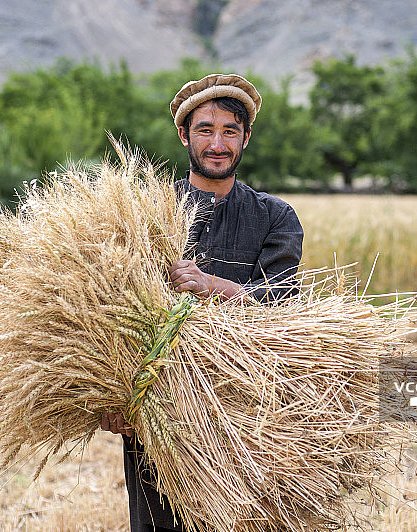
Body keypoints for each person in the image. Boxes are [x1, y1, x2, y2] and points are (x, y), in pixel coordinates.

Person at [100, 73, 304, 532]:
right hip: (158, 414)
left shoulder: (275, 217)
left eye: (230, 131)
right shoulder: (143, 209)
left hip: (247, 414)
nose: (218, 143)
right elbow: (105, 309)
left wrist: (212, 284)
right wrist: (113, 396)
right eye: (205, 129)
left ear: (246, 139)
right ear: (184, 135)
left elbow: (282, 301)